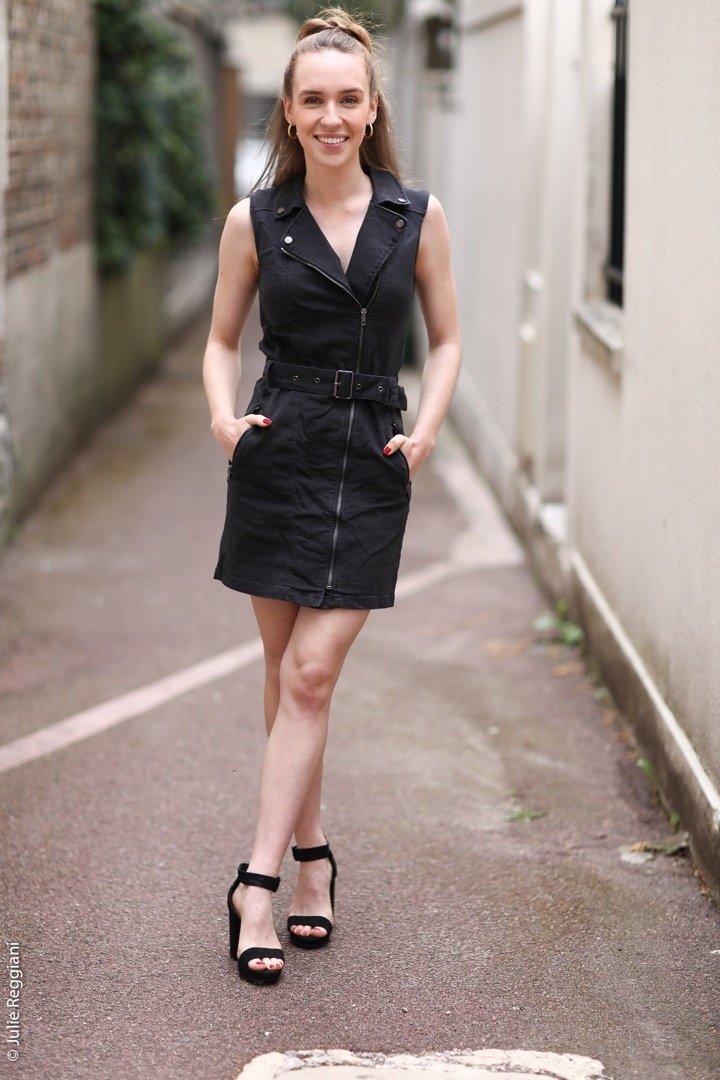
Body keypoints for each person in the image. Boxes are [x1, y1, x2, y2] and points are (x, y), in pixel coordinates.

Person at [202, 7, 461, 985]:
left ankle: (255, 883)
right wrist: (223, 420)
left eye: (349, 98)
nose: (332, 116)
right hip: (280, 446)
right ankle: (313, 858)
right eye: (313, 99)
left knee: (311, 673)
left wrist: (426, 429)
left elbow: (448, 340)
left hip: (371, 451)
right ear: (289, 110)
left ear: (373, 107)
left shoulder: (416, 216)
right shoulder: (255, 221)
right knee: (286, 673)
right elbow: (220, 340)